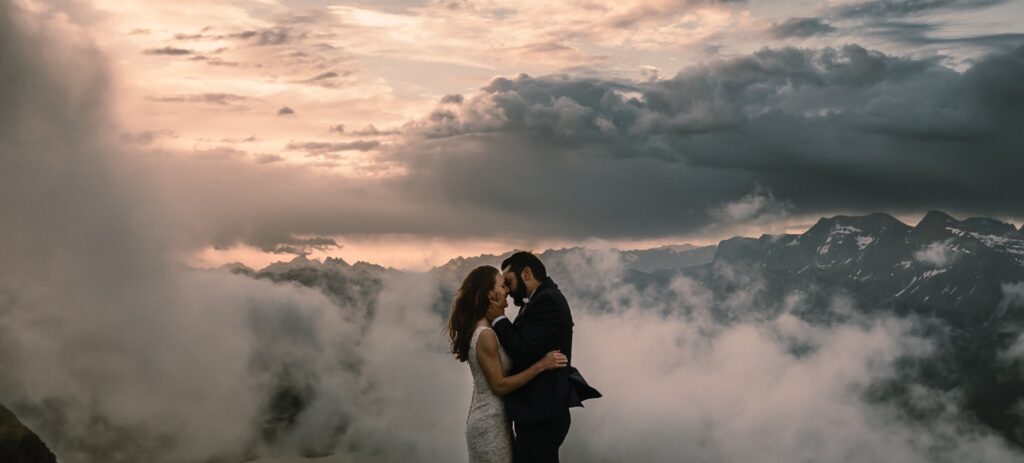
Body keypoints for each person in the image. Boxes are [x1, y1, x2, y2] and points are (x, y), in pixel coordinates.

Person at [486, 252, 601, 463]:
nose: (509, 290)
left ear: (527, 274)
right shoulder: (538, 299)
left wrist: (499, 320)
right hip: (538, 411)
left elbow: (523, 350)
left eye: (509, 282)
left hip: (542, 413)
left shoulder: (548, 300)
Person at [448, 265, 568, 463]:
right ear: (489, 293)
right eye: (502, 285)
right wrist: (541, 365)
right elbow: (499, 385)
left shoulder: (488, 328)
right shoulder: (485, 335)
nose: (507, 291)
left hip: (497, 420)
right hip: (490, 424)